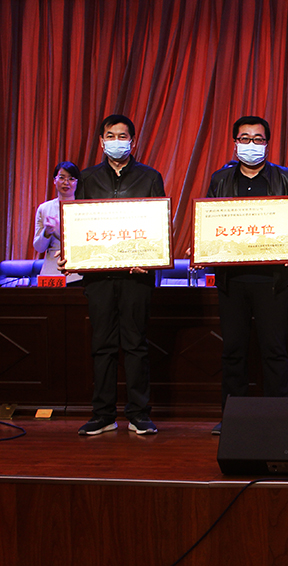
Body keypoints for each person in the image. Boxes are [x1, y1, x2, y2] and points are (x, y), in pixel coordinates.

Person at [205, 116, 288, 435]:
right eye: (245, 138)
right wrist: (203, 247)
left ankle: (280, 415)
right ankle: (233, 416)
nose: (251, 145)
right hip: (232, 280)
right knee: (233, 351)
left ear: (267, 143)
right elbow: (208, 220)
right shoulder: (220, 179)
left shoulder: (286, 177)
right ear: (234, 142)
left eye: (258, 139)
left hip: (272, 279)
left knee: (274, 350)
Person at [75, 114, 165, 436]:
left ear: (133, 141)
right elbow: (80, 223)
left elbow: (158, 224)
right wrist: (73, 253)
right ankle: (103, 414)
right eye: (110, 136)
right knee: (102, 345)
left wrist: (152, 259)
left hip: (136, 276)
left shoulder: (150, 177)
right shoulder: (87, 178)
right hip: (99, 276)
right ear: (101, 142)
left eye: (122, 136)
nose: (117, 141)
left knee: (136, 344)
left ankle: (139, 414)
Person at [33, 162, 83, 285]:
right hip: (50, 272)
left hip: (76, 273)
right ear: (54, 180)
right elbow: (39, 247)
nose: (66, 183)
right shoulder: (44, 208)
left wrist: (58, 230)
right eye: (61, 178)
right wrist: (47, 233)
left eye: (71, 179)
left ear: (77, 182)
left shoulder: (83, 208)